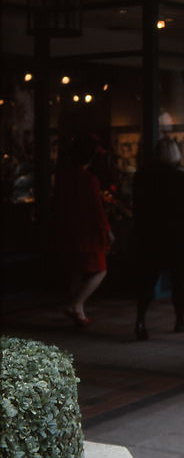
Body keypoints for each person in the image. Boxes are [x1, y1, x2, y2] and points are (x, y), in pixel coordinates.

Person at [131, 136, 184, 341]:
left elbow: (137, 209)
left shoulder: (142, 176)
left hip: (149, 237)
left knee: (147, 281)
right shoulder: (181, 179)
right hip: (174, 237)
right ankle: (179, 320)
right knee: (178, 282)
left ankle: (140, 321)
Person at [54, 134, 113, 328]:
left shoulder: (64, 176)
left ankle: (78, 310)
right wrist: (106, 231)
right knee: (100, 270)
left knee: (76, 270)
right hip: (87, 231)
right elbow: (96, 209)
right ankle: (76, 304)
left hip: (69, 227)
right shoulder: (88, 179)